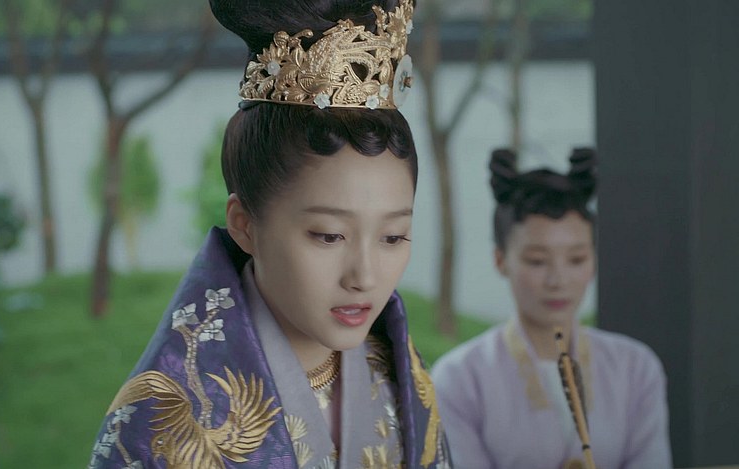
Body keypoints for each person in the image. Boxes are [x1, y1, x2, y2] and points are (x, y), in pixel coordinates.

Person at [87, 0, 450, 467]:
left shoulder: (403, 381)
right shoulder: (165, 425)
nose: (364, 276)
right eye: (328, 236)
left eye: (393, 237)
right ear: (244, 224)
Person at [431, 148, 672, 469]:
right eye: (537, 261)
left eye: (577, 259)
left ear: (594, 260)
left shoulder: (635, 368)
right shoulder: (460, 378)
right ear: (501, 261)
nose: (558, 280)